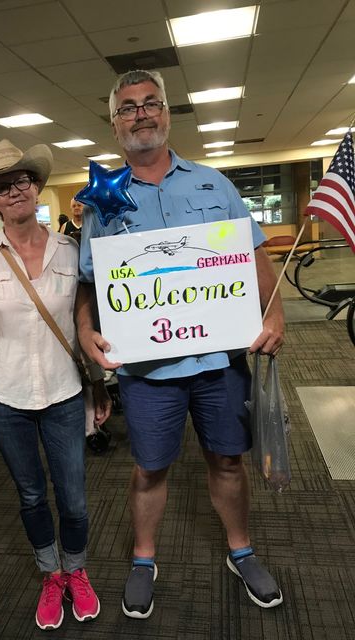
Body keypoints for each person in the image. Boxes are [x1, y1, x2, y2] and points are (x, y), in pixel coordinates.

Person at [76, 70, 285, 618]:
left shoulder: (214, 184)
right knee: (150, 468)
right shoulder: (101, 202)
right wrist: (83, 329)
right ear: (115, 124)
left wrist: (276, 313)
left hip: (219, 361)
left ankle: (241, 551)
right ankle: (144, 559)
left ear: (167, 113)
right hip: (147, 370)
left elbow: (253, 258)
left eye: (151, 103)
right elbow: (89, 282)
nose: (141, 113)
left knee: (229, 461)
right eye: (128, 107)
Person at [0, 139, 111, 631]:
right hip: (3, 393)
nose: (14, 191)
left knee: (73, 498)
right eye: (1, 187)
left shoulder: (70, 251)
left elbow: (83, 323)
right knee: (32, 495)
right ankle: (50, 574)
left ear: (35, 187)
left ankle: (76, 571)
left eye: (22, 181)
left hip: (63, 391)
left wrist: (98, 384)